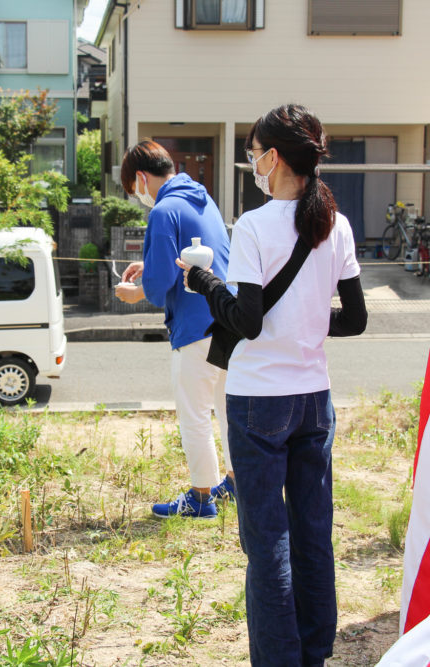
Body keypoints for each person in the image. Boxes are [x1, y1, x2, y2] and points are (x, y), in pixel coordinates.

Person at [177, 105, 367, 666]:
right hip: (314, 400)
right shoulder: (337, 223)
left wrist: (204, 281)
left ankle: (278, 658)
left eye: (255, 151)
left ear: (274, 157)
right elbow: (354, 318)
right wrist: (309, 325)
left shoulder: (256, 224)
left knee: (267, 545)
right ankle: (314, 651)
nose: (252, 162)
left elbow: (247, 320)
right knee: (313, 533)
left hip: (259, 401)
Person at [114, 140, 235, 519]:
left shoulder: (163, 209)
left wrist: (135, 294)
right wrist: (146, 267)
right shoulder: (203, 199)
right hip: (227, 320)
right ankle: (235, 481)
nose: (138, 196)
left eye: (133, 189)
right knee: (225, 406)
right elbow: (183, 257)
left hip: (195, 329)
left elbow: (162, 279)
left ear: (140, 177)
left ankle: (200, 498)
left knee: (194, 412)